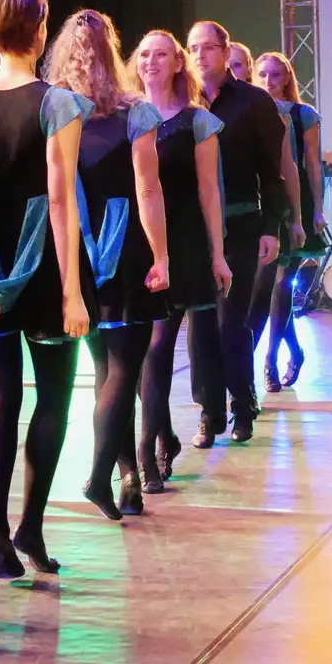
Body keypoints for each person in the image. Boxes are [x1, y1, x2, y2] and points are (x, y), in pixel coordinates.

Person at [0, 0, 95, 575]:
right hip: (45, 268)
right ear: (41, 32)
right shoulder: (57, 103)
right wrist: (73, 290)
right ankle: (30, 528)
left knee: (0, 397)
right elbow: (60, 201)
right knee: (51, 398)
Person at [43, 9, 169, 517]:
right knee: (125, 369)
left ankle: (128, 476)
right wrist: (162, 254)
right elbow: (148, 186)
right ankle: (102, 475)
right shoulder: (134, 110)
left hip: (75, 245)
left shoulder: (54, 108)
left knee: (104, 369)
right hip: (125, 247)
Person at [120, 29, 229, 499]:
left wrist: (218, 253)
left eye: (161, 54)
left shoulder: (196, 121)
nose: (151, 62)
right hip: (137, 243)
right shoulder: (124, 115)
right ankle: (160, 437)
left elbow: (210, 191)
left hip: (182, 243)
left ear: (178, 63)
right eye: (144, 54)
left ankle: (147, 450)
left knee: (159, 346)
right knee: (146, 350)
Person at [184, 21, 290, 446]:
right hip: (194, 230)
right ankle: (209, 413)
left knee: (231, 323)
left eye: (209, 47)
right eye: (193, 48)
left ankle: (242, 405)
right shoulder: (183, 103)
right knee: (200, 324)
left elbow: (274, 172)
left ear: (226, 51)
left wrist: (272, 228)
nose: (201, 56)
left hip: (243, 223)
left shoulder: (253, 102)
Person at [250, 51, 323, 392]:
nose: (269, 80)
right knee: (267, 288)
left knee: (282, 283)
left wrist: (317, 209)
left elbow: (311, 163)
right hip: (261, 202)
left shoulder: (301, 114)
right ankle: (293, 348)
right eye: (262, 74)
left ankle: (270, 357)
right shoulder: (249, 110)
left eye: (276, 74)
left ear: (287, 78)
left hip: (295, 201)